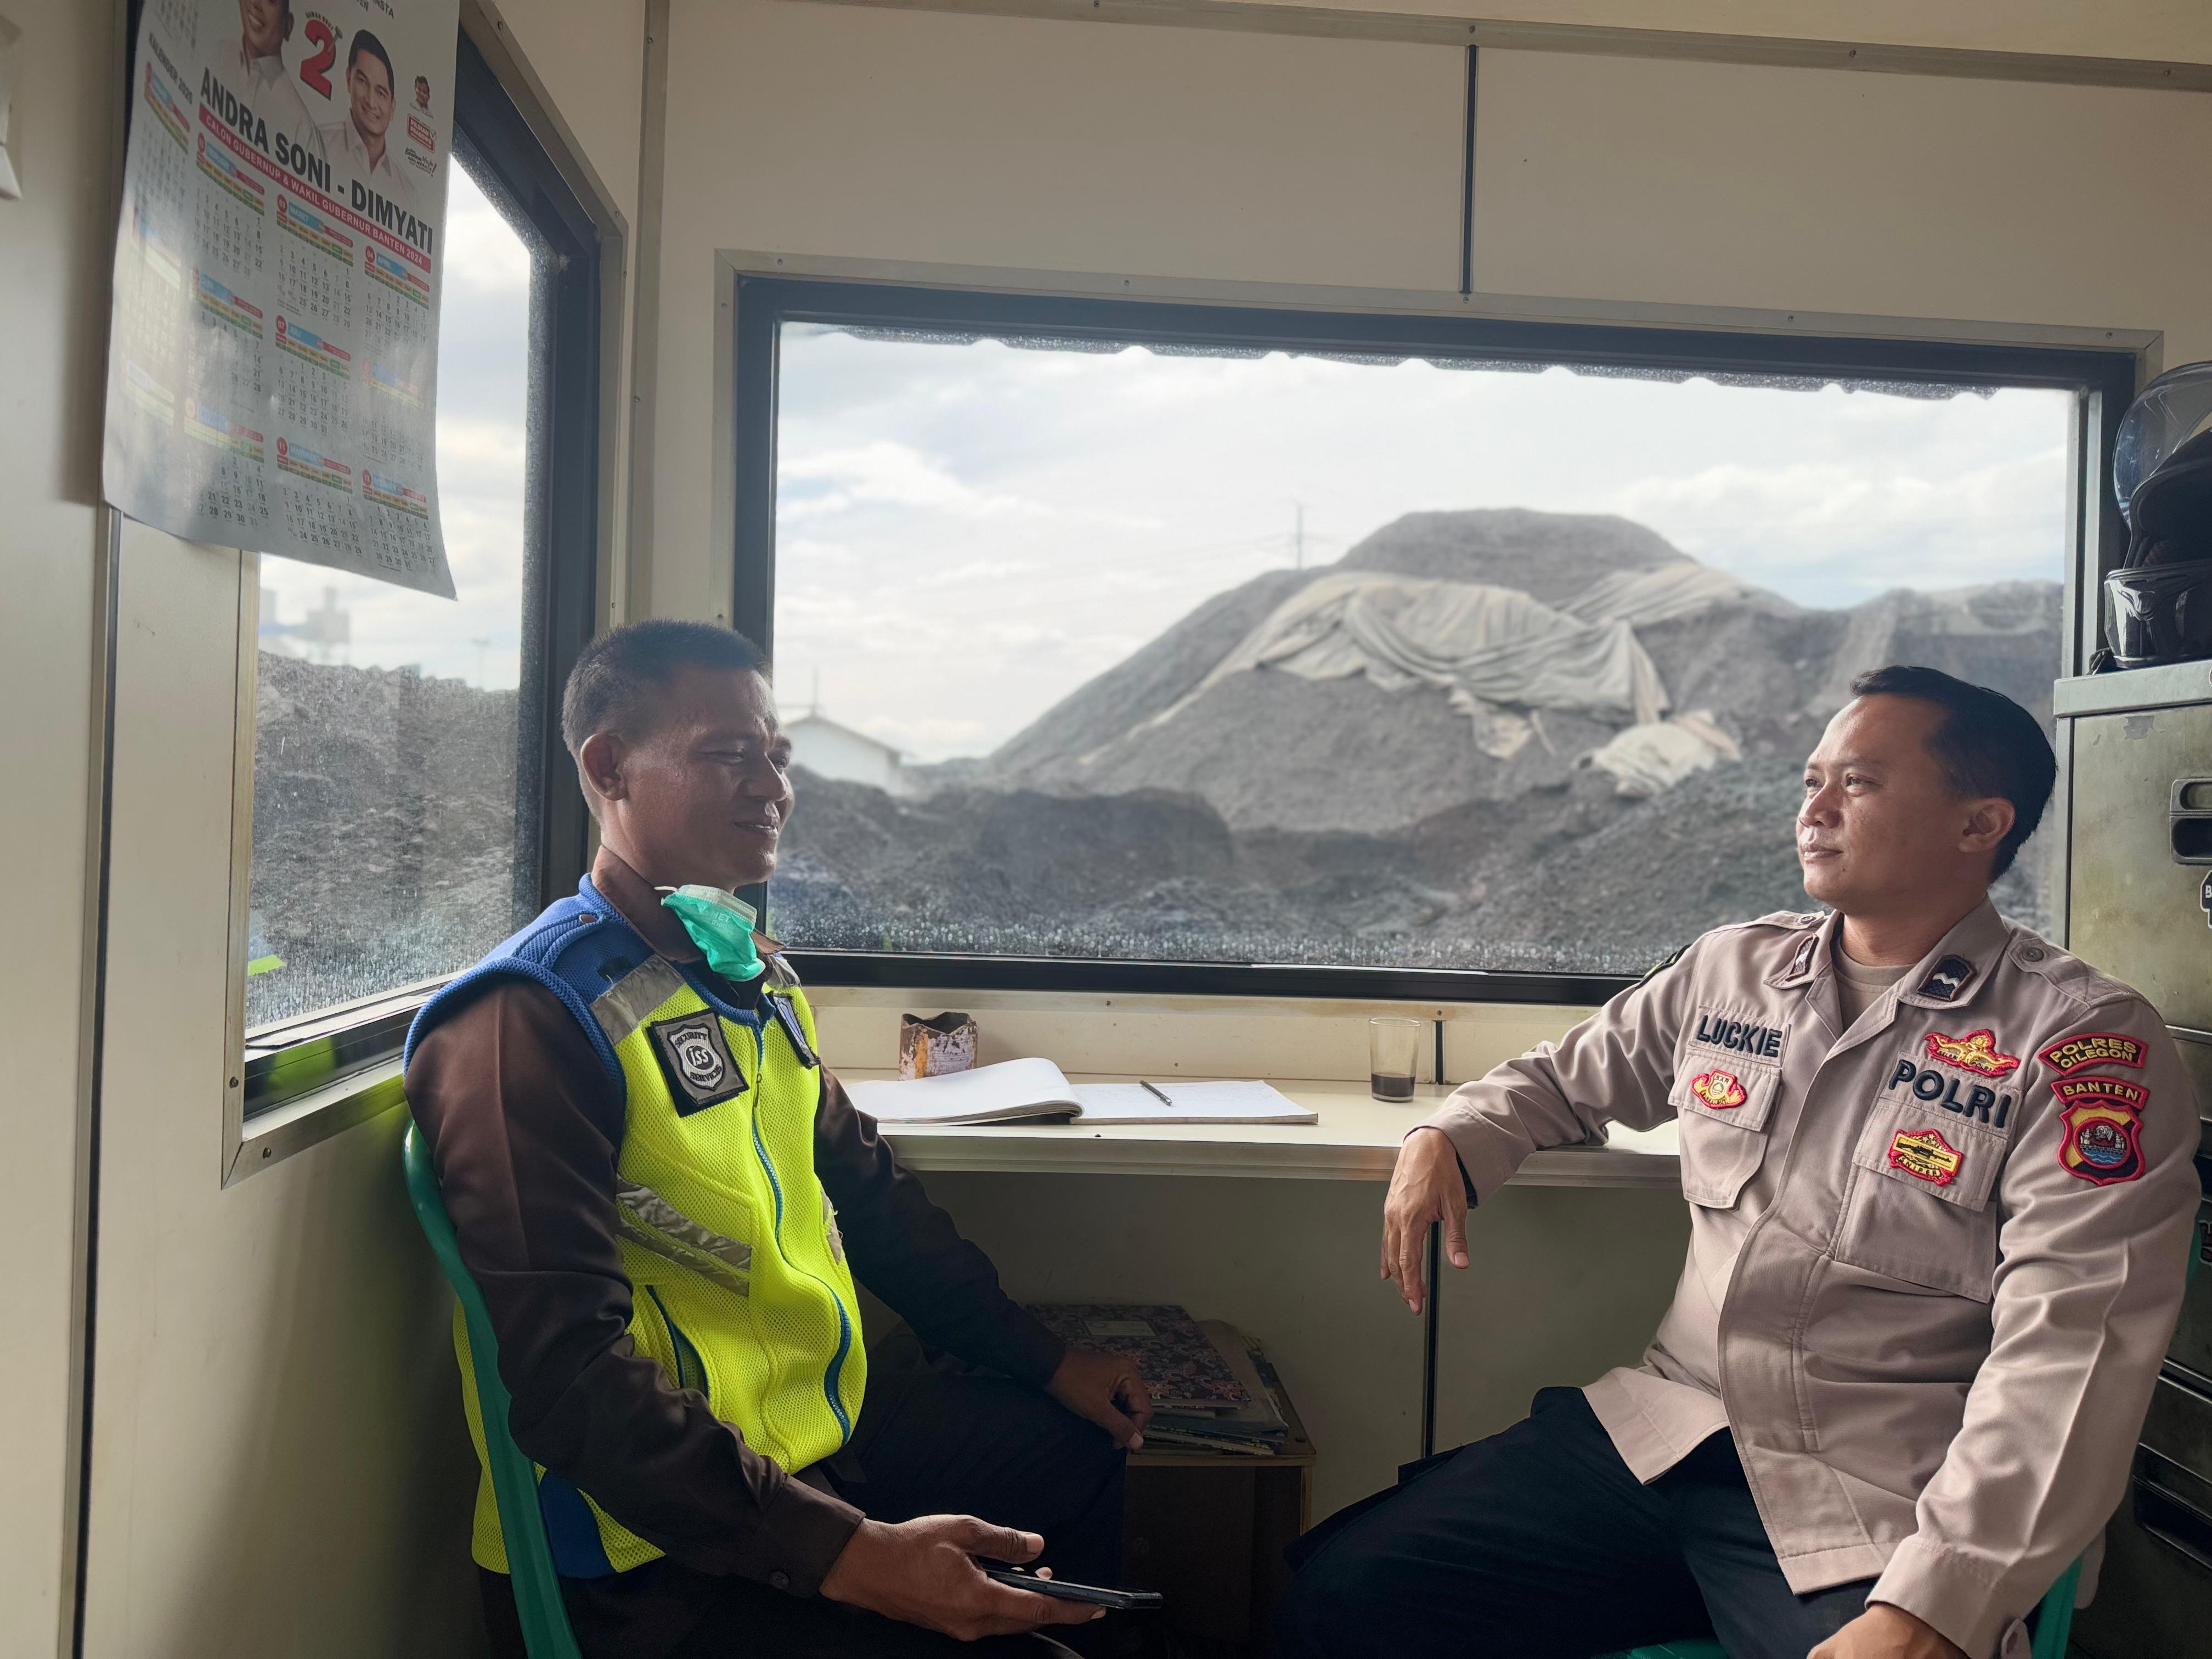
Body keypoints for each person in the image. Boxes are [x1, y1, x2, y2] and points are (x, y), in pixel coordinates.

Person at [1278, 665, 2200, 1659]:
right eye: (1812, 779)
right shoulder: (1735, 971)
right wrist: (1447, 1137)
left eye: (1859, 782)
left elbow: (2073, 1352)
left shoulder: (2080, 1040)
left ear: (1980, 823)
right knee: (1343, 1594)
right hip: (1664, 1435)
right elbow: (1561, 1078)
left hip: (1874, 1486)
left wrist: (1942, 1598)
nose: (1814, 808)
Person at [406, 622, 1155, 1659]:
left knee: (1076, 1447)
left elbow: (873, 1199)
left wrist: (1049, 1359)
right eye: (728, 754)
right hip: (648, 1547)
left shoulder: (745, 974)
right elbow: (568, 1380)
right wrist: (848, 1553)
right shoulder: (528, 1020)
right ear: (608, 767)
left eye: (777, 755)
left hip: (807, 1447)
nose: (772, 787)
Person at [319, 29, 411, 212]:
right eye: (363, 82)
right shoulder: (317, 143)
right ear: (348, 80)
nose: (371, 101)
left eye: (381, 93)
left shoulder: (408, 194)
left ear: (392, 107)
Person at [232, 0, 324, 168]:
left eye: (271, 1)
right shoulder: (220, 53)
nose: (256, 4)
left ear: (288, 26)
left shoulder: (302, 127)